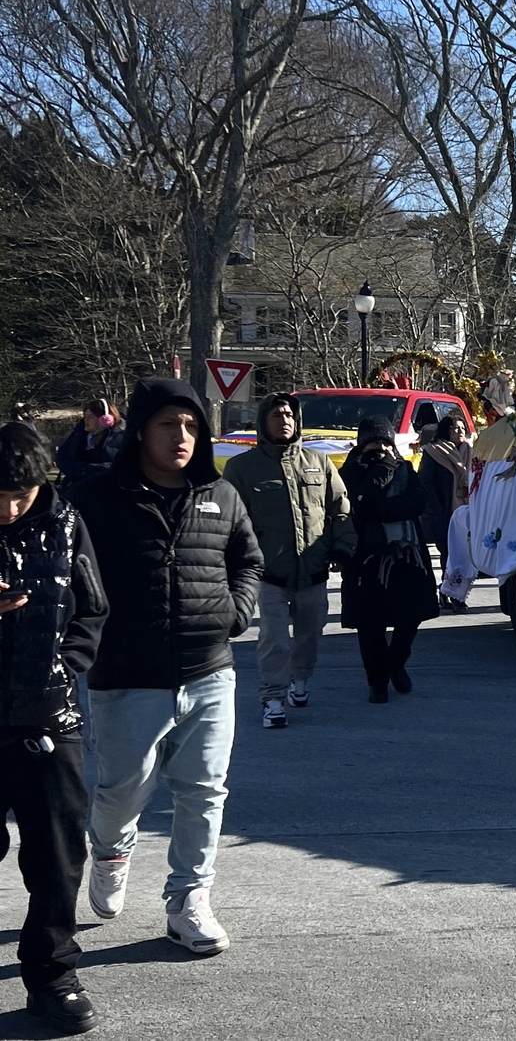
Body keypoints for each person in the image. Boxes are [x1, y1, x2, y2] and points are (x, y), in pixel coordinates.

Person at [69, 380, 262, 956]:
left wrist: (237, 611)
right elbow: (70, 577)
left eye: (191, 426)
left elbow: (247, 559)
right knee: (122, 788)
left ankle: (189, 900)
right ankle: (110, 848)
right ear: (139, 431)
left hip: (209, 669)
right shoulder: (97, 499)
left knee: (203, 790)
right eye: (167, 425)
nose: (181, 437)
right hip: (127, 675)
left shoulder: (220, 495)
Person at [0, 422, 109, 1035]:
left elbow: (92, 607)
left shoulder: (66, 521)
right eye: (0, 495)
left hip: (49, 713)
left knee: (59, 852)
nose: (11, 508)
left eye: (22, 494)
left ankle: (53, 972)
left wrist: (66, 667)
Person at [224, 393, 356, 729]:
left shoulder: (318, 463)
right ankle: (272, 698)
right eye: (276, 415)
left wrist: (342, 548)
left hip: (312, 570)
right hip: (268, 574)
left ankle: (300, 679)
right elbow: (231, 521)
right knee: (275, 639)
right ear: (262, 422)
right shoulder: (242, 468)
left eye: (289, 415)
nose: (284, 420)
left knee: (310, 635)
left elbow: (340, 508)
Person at [340, 417, 437, 703]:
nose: (380, 448)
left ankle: (397, 661)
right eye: (374, 443)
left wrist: (383, 508)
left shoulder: (404, 469)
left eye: (385, 442)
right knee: (370, 625)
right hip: (365, 559)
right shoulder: (350, 472)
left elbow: (418, 502)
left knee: (412, 615)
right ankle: (377, 681)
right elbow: (358, 504)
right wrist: (377, 471)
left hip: (407, 556)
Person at [417, 414, 471, 612]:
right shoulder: (433, 453)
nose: (460, 432)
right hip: (444, 513)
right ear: (445, 431)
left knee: (465, 555)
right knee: (450, 555)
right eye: (455, 428)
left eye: (463, 428)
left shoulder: (469, 452)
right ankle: (452, 594)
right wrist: (436, 512)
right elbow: (426, 484)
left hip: (467, 512)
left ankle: (449, 591)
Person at [55, 399, 125, 494]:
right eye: (85, 417)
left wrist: (85, 470)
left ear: (105, 419)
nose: (86, 420)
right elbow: (62, 458)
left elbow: (120, 467)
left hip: (108, 493)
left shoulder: (121, 438)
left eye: (90, 417)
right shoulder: (78, 435)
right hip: (77, 492)